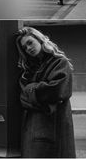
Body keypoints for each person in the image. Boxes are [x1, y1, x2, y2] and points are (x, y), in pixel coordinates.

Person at [15, 27, 76, 158]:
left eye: (30, 42)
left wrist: (32, 90)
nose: (28, 48)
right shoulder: (29, 69)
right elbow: (22, 97)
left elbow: (58, 91)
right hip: (33, 126)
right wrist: (41, 96)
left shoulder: (60, 62)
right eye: (25, 47)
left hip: (55, 124)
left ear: (40, 39)